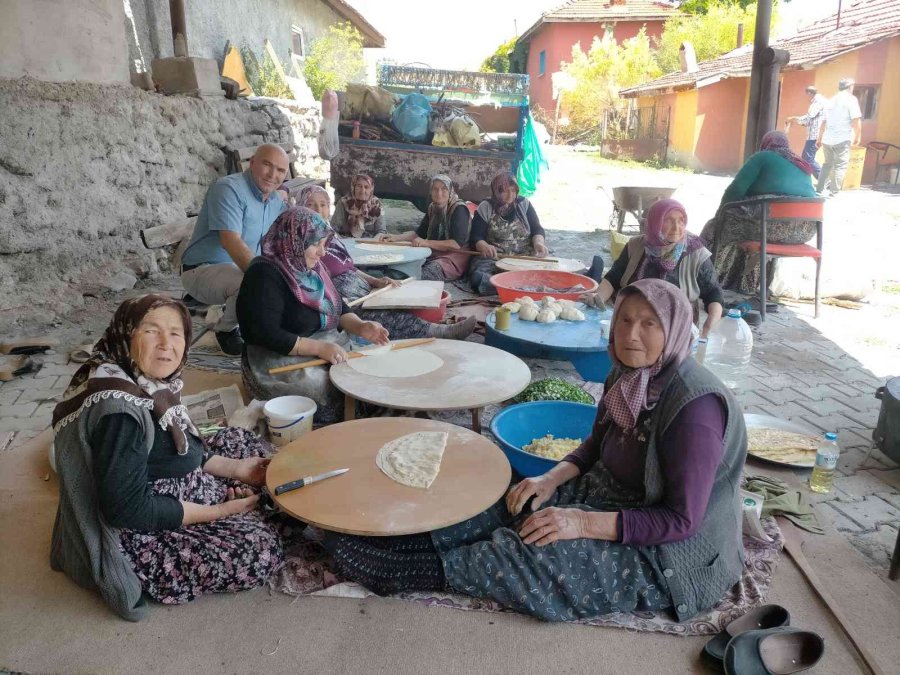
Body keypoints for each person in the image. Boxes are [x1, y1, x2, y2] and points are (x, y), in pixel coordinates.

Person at [322, 279, 747, 623]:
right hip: (614, 495)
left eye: (649, 324)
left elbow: (680, 520)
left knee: (535, 554)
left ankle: (397, 572)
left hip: (671, 553)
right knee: (514, 500)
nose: (631, 335)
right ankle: (412, 543)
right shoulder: (629, 373)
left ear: (672, 328)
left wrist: (580, 522)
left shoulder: (694, 408)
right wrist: (548, 479)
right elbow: (597, 444)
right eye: (625, 321)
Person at [50, 295, 283, 621]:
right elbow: (128, 510)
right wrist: (217, 511)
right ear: (126, 333)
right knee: (259, 552)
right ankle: (234, 509)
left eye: (176, 333)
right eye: (151, 331)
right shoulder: (119, 412)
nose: (166, 344)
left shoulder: (142, 379)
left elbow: (179, 441)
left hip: (164, 478)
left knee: (241, 442)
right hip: (138, 528)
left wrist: (234, 469)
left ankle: (234, 498)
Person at [236, 207, 390, 424]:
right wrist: (318, 349)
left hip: (321, 345)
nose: (322, 252)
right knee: (325, 387)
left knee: (363, 372)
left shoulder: (311, 268)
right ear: (294, 240)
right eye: (316, 244)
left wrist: (360, 326)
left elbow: (336, 305)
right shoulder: (263, 274)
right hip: (274, 357)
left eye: (324, 244)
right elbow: (264, 333)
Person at [299, 185, 476, 340]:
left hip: (357, 286)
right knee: (383, 317)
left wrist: (375, 281)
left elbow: (348, 267)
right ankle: (438, 332)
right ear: (300, 207)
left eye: (323, 205)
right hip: (340, 298)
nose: (317, 210)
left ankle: (429, 327)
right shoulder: (300, 238)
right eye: (310, 204)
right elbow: (312, 279)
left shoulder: (328, 234)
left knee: (395, 292)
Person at [180, 144, 290, 355]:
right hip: (201, 270)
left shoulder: (275, 201)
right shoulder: (228, 188)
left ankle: (236, 311)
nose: (272, 175)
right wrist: (266, 280)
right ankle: (226, 330)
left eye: (280, 170)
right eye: (267, 164)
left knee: (279, 284)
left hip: (237, 270)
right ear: (252, 163)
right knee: (251, 283)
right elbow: (231, 242)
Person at [581, 199, 723, 337]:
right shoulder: (636, 245)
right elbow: (613, 278)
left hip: (675, 326)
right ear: (655, 222)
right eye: (668, 220)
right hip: (632, 318)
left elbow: (713, 293)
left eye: (681, 220)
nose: (677, 227)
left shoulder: (696, 252)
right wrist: (598, 297)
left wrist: (708, 327)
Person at [700, 131, 817, 294]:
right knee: (749, 226)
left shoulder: (763, 157)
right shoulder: (801, 164)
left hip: (769, 228)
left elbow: (735, 191)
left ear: (766, 144)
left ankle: (705, 280)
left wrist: (720, 215)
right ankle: (747, 285)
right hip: (804, 232)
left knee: (716, 227)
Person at [379, 174, 472, 282]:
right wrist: (396, 237)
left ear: (450, 190)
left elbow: (456, 244)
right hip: (434, 253)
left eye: (444, 189)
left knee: (422, 275)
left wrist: (426, 243)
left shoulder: (459, 209)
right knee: (400, 267)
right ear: (431, 191)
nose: (439, 193)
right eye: (435, 189)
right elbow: (419, 233)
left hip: (454, 258)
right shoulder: (433, 208)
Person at [468, 172, 549, 295]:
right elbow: (475, 236)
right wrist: (484, 246)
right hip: (496, 257)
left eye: (513, 190)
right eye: (505, 191)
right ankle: (519, 286)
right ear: (496, 191)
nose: (510, 195)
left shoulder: (524, 204)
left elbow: (537, 229)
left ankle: (509, 286)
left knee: (550, 270)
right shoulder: (486, 207)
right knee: (478, 278)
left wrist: (538, 243)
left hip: (524, 256)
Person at [816, 78, 862, 197]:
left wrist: (819, 139)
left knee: (827, 164)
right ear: (850, 87)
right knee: (840, 165)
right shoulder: (851, 100)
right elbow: (856, 119)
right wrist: (857, 136)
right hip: (842, 138)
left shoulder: (830, 100)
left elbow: (823, 123)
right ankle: (834, 191)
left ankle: (819, 188)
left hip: (827, 139)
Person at [786, 85, 825, 178]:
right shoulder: (820, 101)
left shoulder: (817, 102)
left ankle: (823, 180)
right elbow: (808, 122)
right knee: (807, 158)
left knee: (808, 158)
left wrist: (794, 119)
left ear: (809, 94)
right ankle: (821, 180)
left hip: (815, 136)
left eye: (806, 95)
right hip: (815, 135)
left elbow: (808, 119)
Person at [331, 173, 385, 238]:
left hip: (370, 244)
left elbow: (381, 231)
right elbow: (333, 229)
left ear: (371, 190)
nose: (362, 191)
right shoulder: (343, 202)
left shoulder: (376, 204)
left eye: (366, 187)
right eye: (359, 186)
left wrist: (375, 240)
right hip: (345, 241)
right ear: (353, 187)